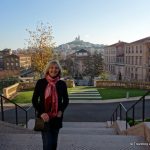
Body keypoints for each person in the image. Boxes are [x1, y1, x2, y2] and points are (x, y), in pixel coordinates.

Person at [32, 60, 69, 150]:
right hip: (44, 118)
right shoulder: (41, 82)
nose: (54, 70)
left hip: (56, 118)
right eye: (51, 67)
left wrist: (61, 110)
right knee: (47, 144)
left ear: (59, 70)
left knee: (54, 144)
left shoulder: (62, 84)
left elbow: (66, 100)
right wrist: (41, 113)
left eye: (56, 68)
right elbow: (34, 100)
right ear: (48, 69)